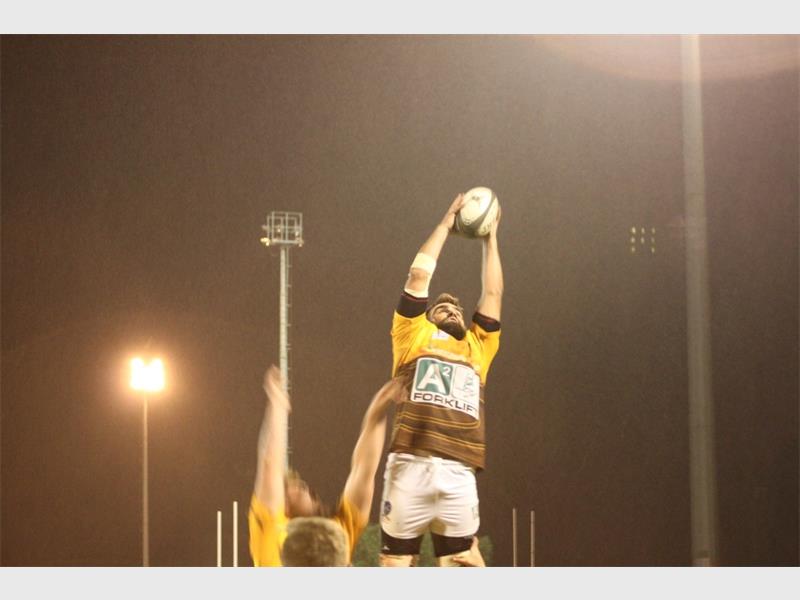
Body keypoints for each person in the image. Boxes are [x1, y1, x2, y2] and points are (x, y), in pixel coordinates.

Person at [379, 192, 503, 567]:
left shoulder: (478, 348)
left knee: (463, 565)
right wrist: (446, 224)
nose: (451, 311)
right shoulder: (411, 337)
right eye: (442, 308)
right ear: (428, 317)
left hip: (459, 471)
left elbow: (493, 292)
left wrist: (491, 238)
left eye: (456, 309)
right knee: (394, 567)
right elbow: (419, 275)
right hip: (409, 465)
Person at [249, 365, 402, 566]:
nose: (307, 487)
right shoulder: (274, 532)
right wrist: (277, 407)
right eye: (295, 486)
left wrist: (380, 406)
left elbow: (364, 469)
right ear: (284, 504)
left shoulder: (338, 529)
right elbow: (270, 467)